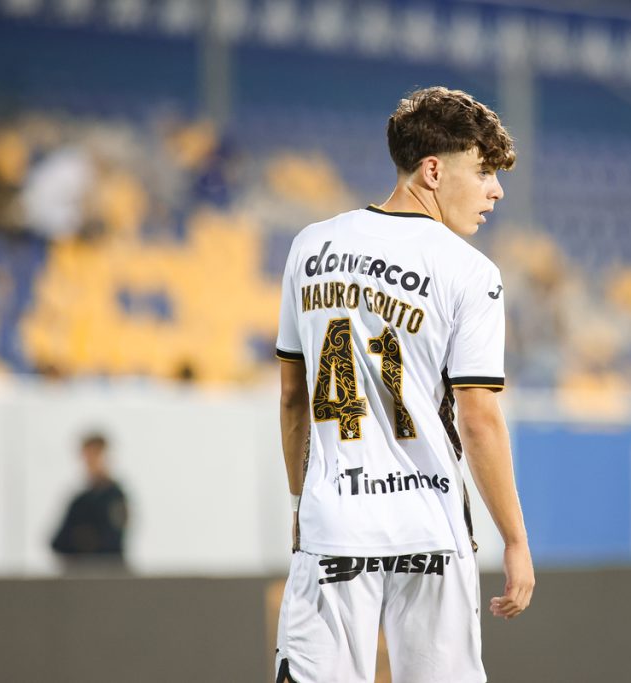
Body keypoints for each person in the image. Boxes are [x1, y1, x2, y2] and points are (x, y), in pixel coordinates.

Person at [273, 86, 534, 683]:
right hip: (432, 531)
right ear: (434, 170)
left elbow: (292, 397)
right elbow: (479, 418)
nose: (495, 190)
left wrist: (298, 503)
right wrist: (514, 541)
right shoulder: (470, 272)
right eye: (484, 171)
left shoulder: (309, 246)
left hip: (333, 525)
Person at [50, 432, 128, 571]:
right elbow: (58, 542)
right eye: (87, 457)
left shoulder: (115, 497)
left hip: (110, 575)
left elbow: (112, 541)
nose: (90, 463)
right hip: (80, 575)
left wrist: (84, 539)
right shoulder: (80, 501)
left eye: (95, 456)